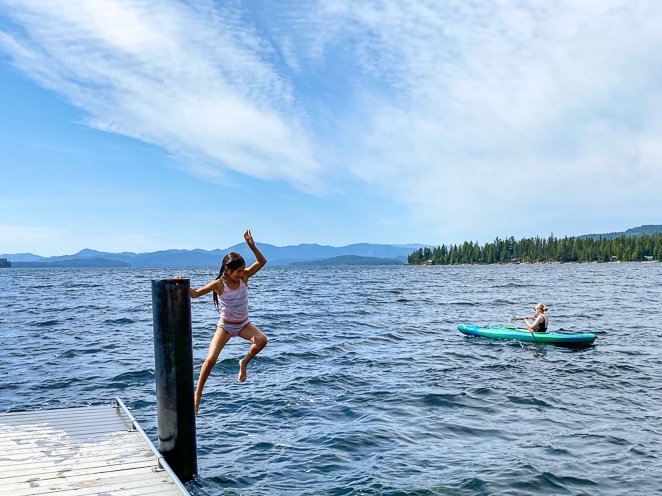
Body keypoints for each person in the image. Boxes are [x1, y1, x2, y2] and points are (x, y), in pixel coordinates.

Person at [189, 229, 268, 415]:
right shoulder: (219, 284)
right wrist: (181, 284)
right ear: (228, 270)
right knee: (210, 360)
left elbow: (262, 262)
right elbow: (195, 294)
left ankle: (244, 364)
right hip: (225, 326)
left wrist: (252, 246)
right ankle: (197, 396)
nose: (242, 274)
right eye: (238, 271)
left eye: (243, 270)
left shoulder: (245, 277)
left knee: (262, 340)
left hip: (243, 325)